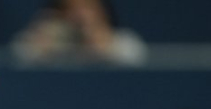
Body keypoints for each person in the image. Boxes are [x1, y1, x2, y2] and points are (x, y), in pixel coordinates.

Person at [10, 0, 147, 67]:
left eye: (87, 8)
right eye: (72, 8)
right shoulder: (49, 37)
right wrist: (40, 45)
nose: (80, 15)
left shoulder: (121, 40)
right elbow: (14, 56)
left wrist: (105, 46)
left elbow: (138, 59)